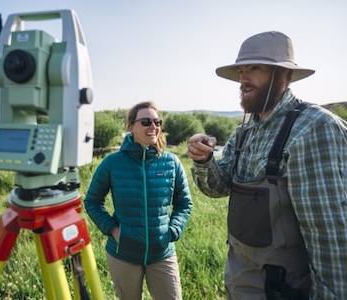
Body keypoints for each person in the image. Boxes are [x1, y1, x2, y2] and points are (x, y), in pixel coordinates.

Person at [187, 31, 347, 299]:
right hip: (240, 281)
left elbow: (330, 240)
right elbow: (219, 187)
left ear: (283, 76)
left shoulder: (313, 128)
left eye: (255, 68)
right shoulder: (246, 130)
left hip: (282, 290)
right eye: (241, 70)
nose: (243, 78)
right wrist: (204, 160)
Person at [85, 101, 192, 300]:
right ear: (131, 126)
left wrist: (173, 230)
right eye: (146, 122)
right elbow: (92, 201)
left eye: (157, 121)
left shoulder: (172, 162)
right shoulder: (112, 162)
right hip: (123, 253)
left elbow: (184, 203)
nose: (153, 126)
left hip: (162, 254)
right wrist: (114, 230)